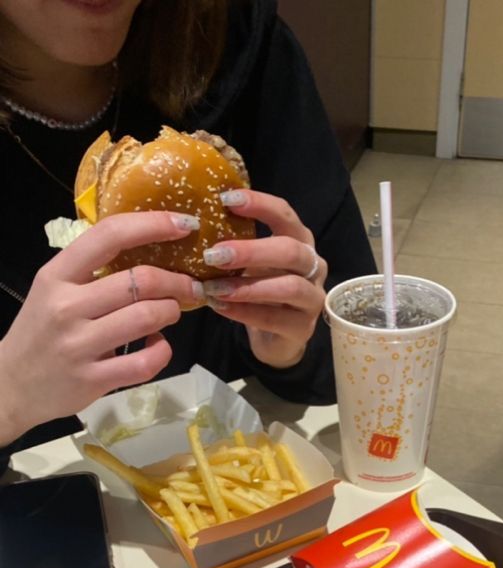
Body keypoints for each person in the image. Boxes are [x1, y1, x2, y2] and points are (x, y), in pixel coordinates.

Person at [0, 0, 375, 473]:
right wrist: (8, 394)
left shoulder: (234, 43)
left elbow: (353, 354)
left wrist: (288, 346)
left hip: (237, 496)